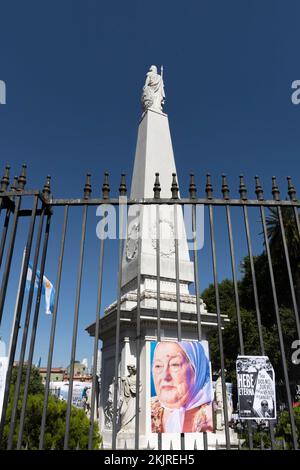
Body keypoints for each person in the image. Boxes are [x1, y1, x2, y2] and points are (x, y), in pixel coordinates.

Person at [151, 341, 213, 433]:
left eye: (174, 364)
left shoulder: (213, 415)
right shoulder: (145, 410)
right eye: (158, 366)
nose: (165, 376)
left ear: (196, 368)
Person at [119, 364, 142, 432]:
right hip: (127, 397)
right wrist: (124, 381)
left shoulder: (136, 378)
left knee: (132, 412)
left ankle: (130, 428)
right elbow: (123, 389)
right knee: (123, 412)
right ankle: (124, 427)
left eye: (130, 369)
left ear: (133, 369)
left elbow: (140, 387)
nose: (129, 370)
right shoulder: (126, 378)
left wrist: (135, 390)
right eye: (128, 369)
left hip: (133, 398)